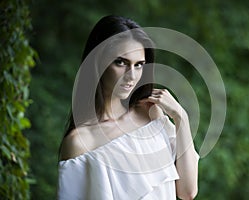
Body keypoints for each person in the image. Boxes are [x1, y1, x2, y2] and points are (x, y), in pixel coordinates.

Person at [58, 15, 199, 200]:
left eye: (139, 65)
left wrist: (181, 116)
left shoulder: (151, 114)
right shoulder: (80, 142)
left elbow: (188, 192)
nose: (132, 76)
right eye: (121, 62)